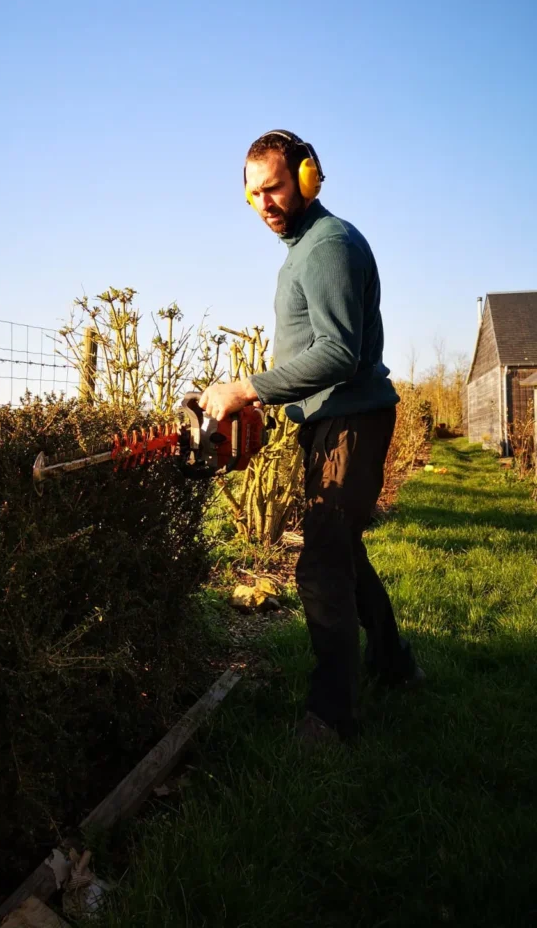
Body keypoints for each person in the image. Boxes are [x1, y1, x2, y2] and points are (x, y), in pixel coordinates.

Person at [199, 129, 423, 744]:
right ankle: (393, 664)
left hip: (351, 419)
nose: (264, 204)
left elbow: (339, 353)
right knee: (345, 552)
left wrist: (246, 388)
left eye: (273, 188)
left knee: (321, 563)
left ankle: (331, 717)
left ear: (307, 176)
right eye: (252, 196)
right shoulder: (301, 250)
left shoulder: (327, 246)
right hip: (332, 420)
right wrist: (268, 409)